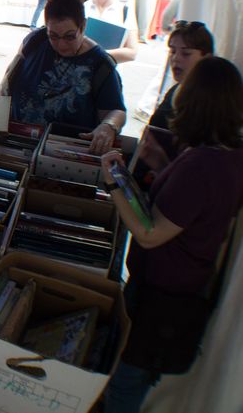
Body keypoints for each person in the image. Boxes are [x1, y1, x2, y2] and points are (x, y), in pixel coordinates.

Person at [100, 56, 243, 413]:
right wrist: (165, 166)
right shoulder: (229, 156)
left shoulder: (200, 165)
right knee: (135, 377)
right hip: (183, 291)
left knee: (123, 386)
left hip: (160, 298)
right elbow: (190, 210)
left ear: (194, 102)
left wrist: (113, 183)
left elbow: (150, 234)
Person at [0, 0, 126, 154]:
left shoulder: (100, 65)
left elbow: (116, 111)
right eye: (54, 36)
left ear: (83, 26)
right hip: (15, 141)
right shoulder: (35, 41)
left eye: (70, 36)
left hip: (63, 153)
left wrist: (108, 126)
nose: (62, 45)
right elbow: (9, 81)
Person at [149, 21, 214, 129]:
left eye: (186, 53)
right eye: (172, 51)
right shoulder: (176, 90)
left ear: (206, 58)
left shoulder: (212, 101)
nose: (175, 58)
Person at [84, 0, 139, 64]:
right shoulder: (82, 9)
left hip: (111, 74)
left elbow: (133, 52)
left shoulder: (125, 12)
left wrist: (100, 54)